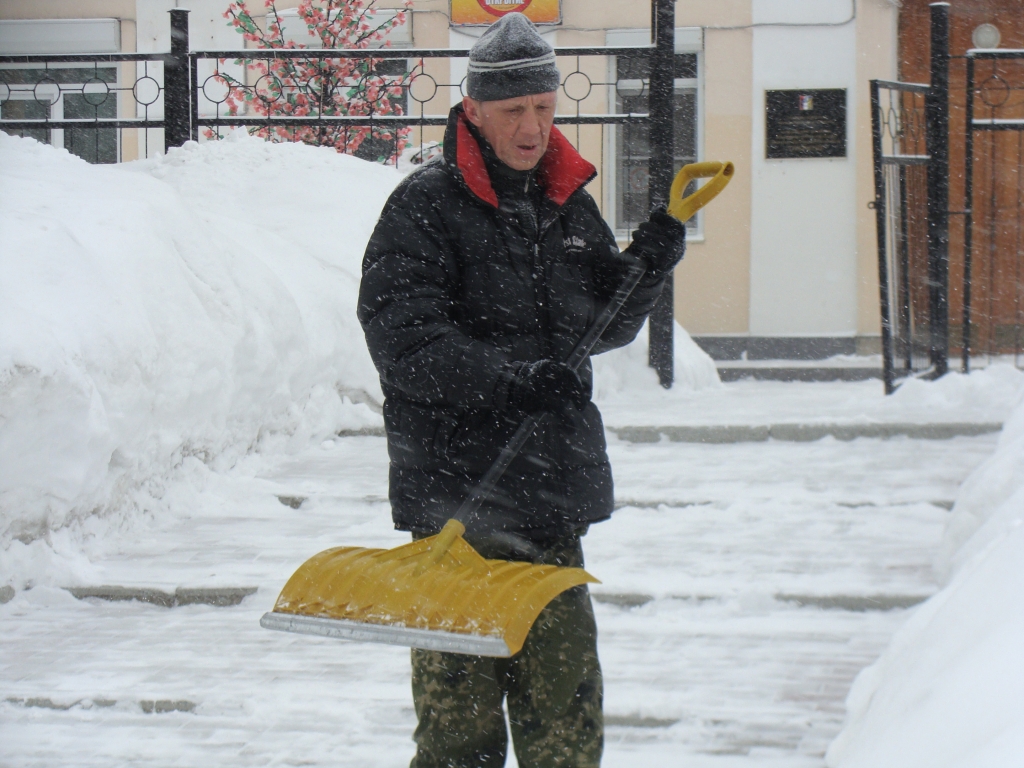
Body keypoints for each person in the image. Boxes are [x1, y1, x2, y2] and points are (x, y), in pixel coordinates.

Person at [358, 12, 687, 767]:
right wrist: (508, 382)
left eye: (543, 107)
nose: (534, 126)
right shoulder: (426, 207)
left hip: (549, 508)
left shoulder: (567, 206)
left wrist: (645, 268)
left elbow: (600, 329)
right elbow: (403, 340)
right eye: (514, 110)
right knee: (458, 739)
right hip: (457, 515)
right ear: (474, 110)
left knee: (566, 730)